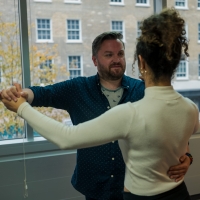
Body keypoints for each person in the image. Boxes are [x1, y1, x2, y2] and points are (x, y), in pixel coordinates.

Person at [1, 25, 193, 200]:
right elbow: (43, 94)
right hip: (94, 188)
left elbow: (173, 127)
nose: (116, 60)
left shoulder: (143, 91)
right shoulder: (78, 88)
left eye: (120, 54)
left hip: (133, 189)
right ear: (95, 59)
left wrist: (187, 157)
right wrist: (21, 94)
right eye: (109, 55)